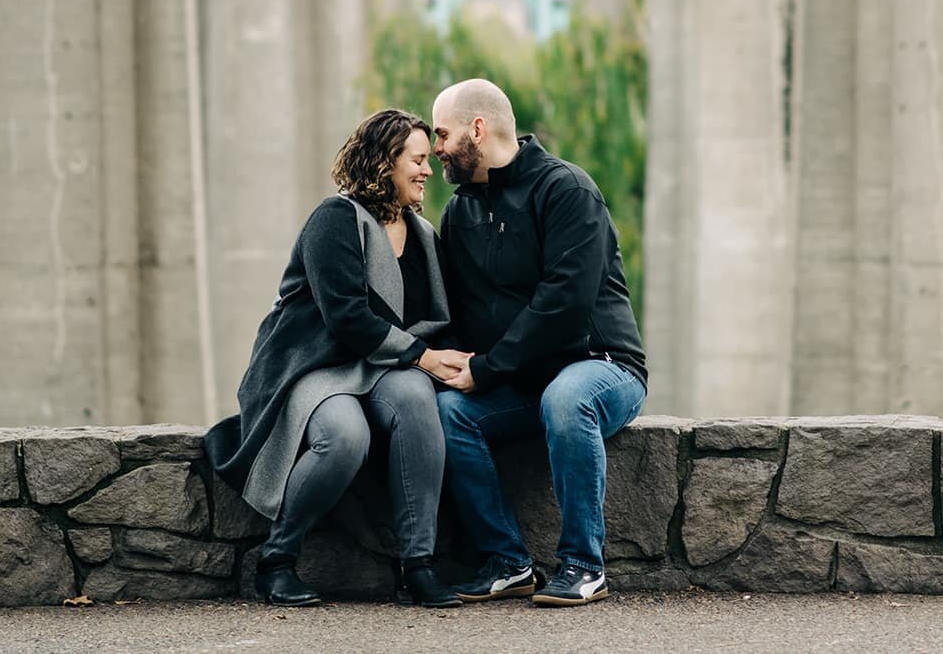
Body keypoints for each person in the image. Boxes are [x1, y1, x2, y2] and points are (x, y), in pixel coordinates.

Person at [205, 109, 473, 608]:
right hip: (316, 363)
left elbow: (439, 319)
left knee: (417, 403)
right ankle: (277, 561)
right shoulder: (334, 220)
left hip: (385, 365)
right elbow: (347, 318)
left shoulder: (424, 237)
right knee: (346, 436)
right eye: (416, 160)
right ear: (384, 163)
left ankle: (417, 565)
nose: (427, 170)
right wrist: (425, 357)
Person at [430, 78, 648, 607]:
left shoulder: (566, 190)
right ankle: (507, 562)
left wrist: (487, 367)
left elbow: (564, 305)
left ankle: (583, 565)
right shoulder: (460, 212)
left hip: (600, 365)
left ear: (476, 130)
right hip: (522, 379)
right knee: (450, 412)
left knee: (567, 398)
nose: (436, 148)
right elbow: (456, 309)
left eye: (442, 134)